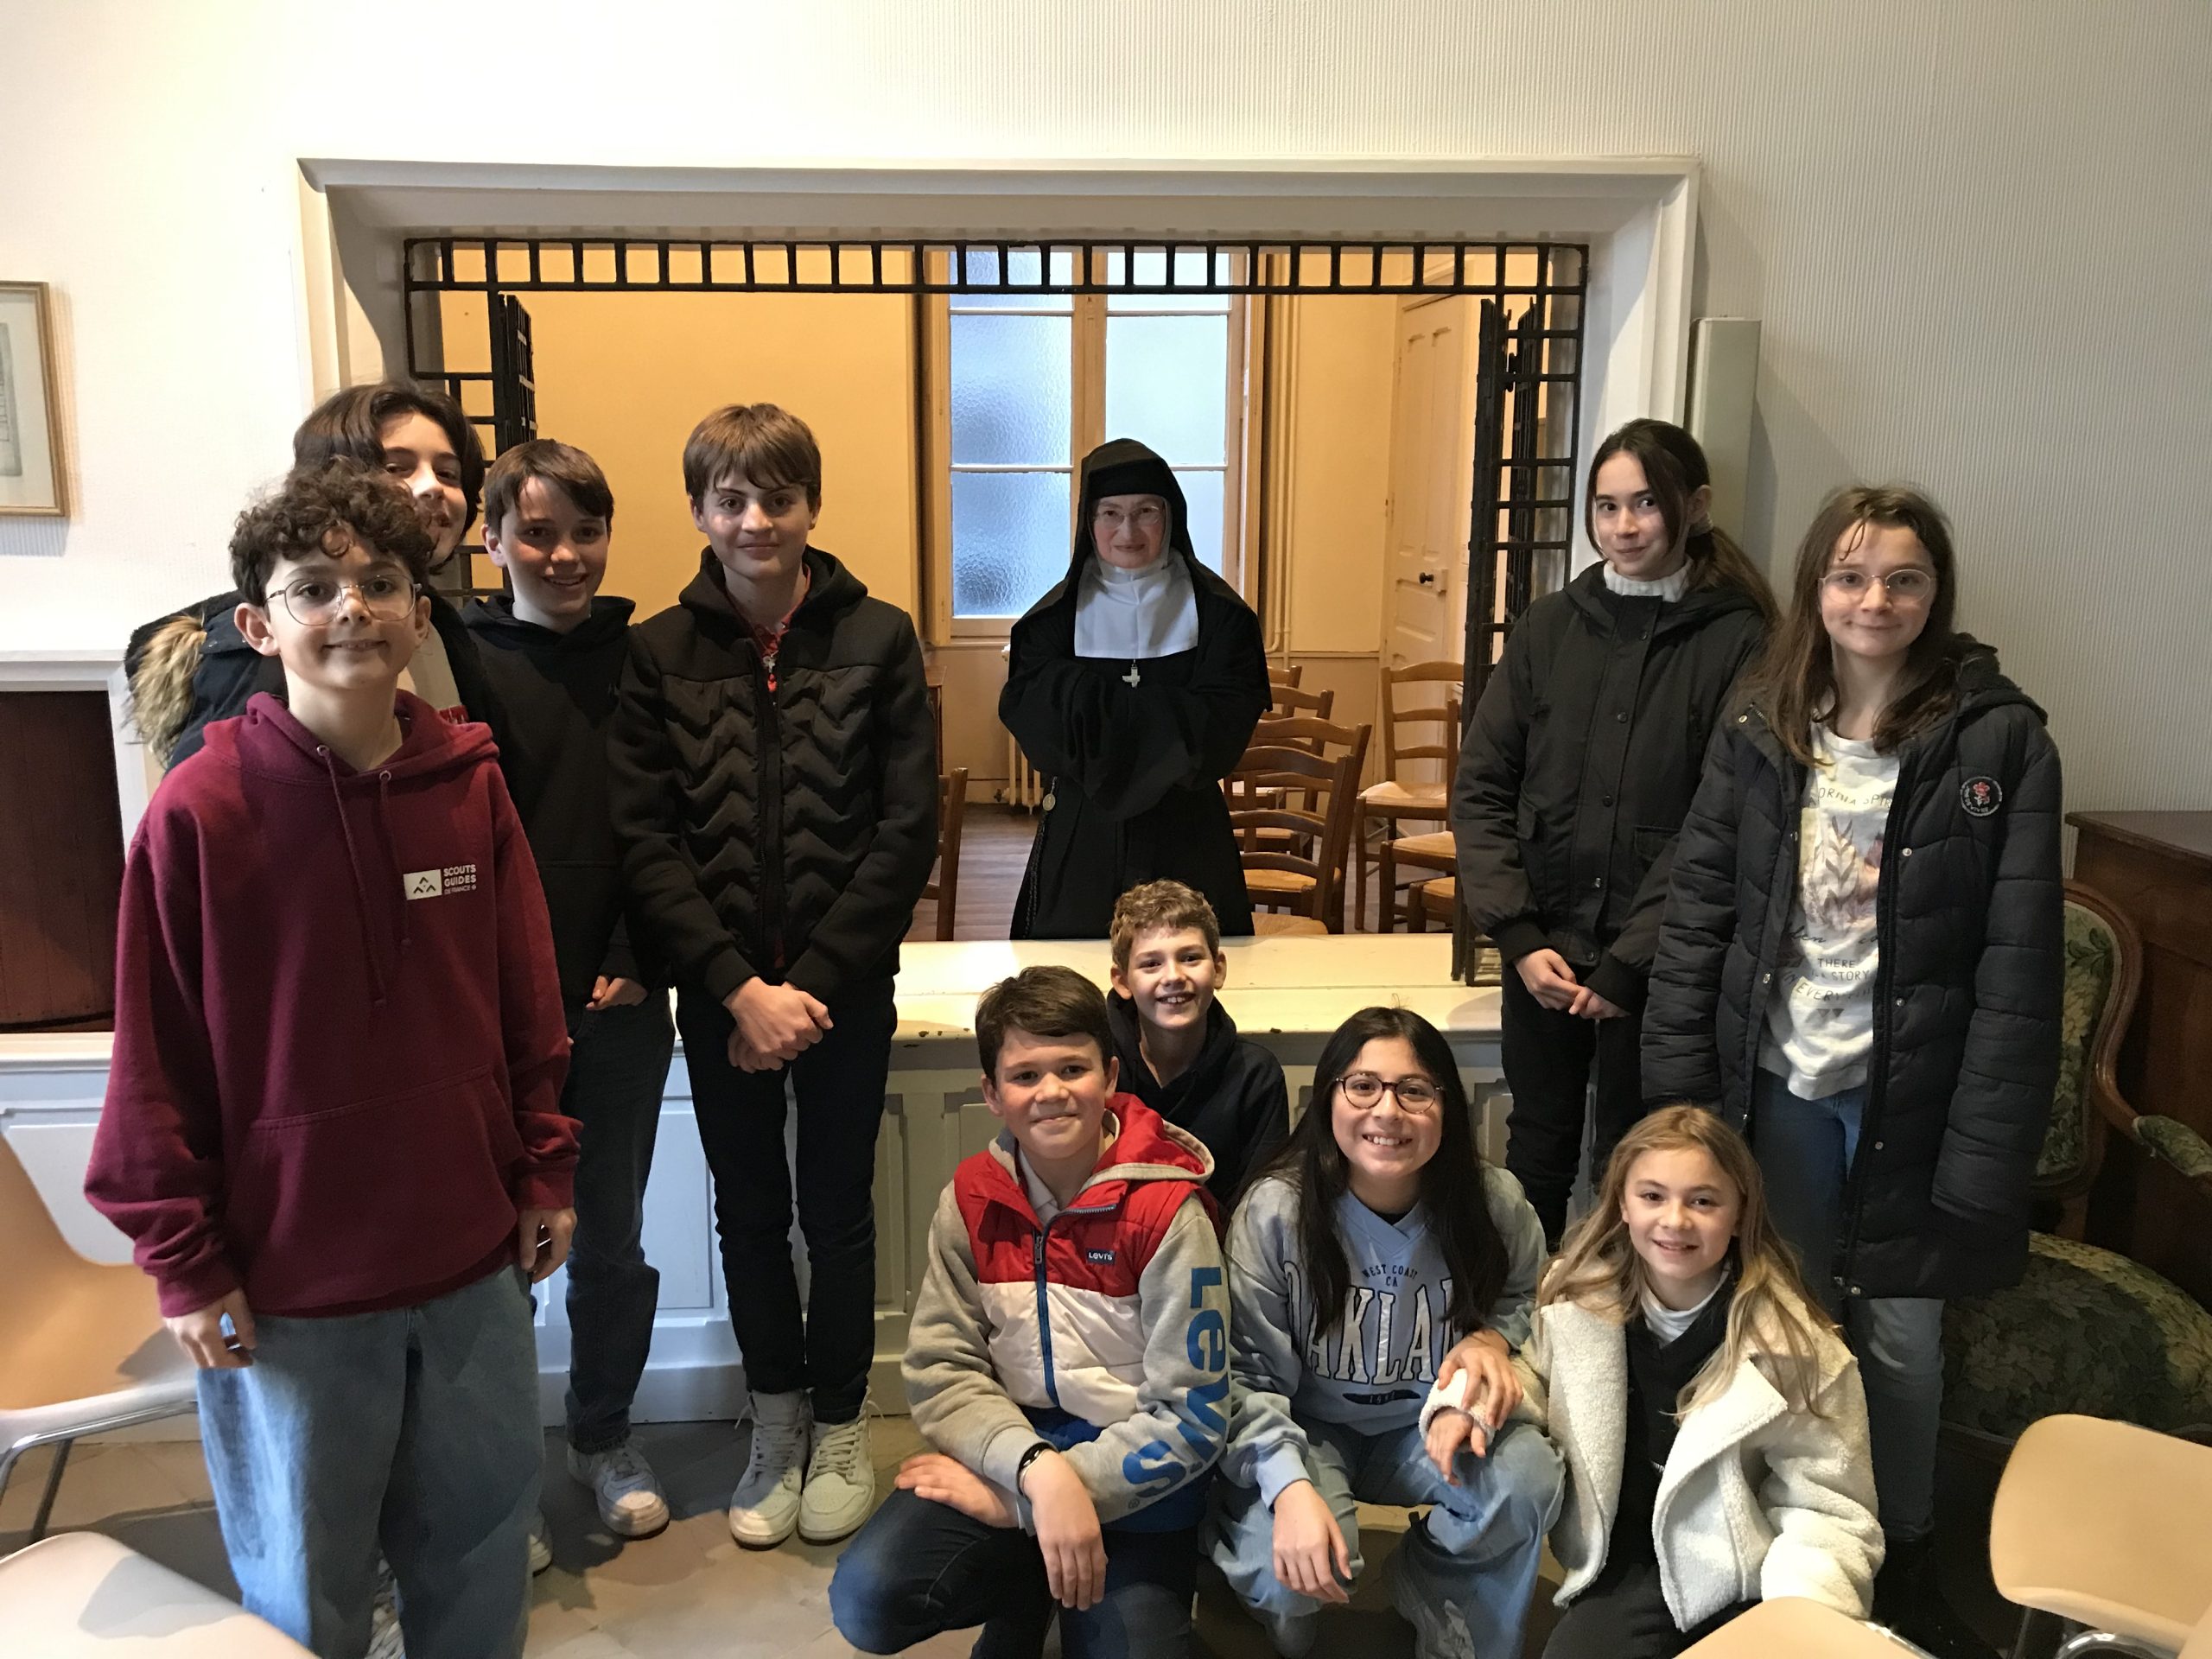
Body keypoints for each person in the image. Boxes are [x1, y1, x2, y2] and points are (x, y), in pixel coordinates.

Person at [83, 459, 577, 1659]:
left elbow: (527, 1002)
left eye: (381, 583)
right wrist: (183, 1262)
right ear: (260, 625)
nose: (351, 608)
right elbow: (155, 1056)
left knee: (480, 1558)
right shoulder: (199, 813)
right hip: (290, 1285)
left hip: (469, 1262)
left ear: (420, 611)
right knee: (306, 1588)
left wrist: (546, 1167)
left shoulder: (471, 788)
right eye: (313, 587)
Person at [1642, 485, 2063, 1657]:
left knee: (1903, 1344)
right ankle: (1792, 1554)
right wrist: (1677, 1094)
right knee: (1789, 1323)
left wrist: (1985, 1152)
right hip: (1777, 1082)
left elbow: (2019, 963)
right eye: (1850, 576)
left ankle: (1906, 1550)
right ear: (1815, 589)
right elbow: (1700, 912)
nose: (1875, 599)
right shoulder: (1759, 724)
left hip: (1914, 1099)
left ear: (1936, 594)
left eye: (1903, 578)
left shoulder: (1998, 739)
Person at [608, 403, 938, 1550]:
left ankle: (841, 1423)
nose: (757, 520)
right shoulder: (658, 651)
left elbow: (906, 827)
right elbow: (646, 838)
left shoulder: (880, 636)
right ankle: (777, 1418)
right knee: (748, 1214)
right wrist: (738, 990)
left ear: (812, 505)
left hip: (845, 988)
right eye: (732, 499)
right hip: (720, 995)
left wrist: (815, 983)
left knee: (836, 1212)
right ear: (700, 511)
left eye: (778, 497)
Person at [828, 965, 1228, 1659]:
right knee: (870, 1598)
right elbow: (943, 1369)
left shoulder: (1168, 1213)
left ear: (1109, 1076)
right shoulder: (971, 1200)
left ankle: (1064, 1570)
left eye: (1072, 1068)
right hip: (1014, 1454)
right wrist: (1034, 1474)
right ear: (991, 1093)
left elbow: (1194, 1415)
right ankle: (1027, 1586)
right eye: (1024, 1075)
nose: (1051, 1092)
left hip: (1139, 1487)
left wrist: (1029, 1500)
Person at [1453, 418, 1775, 1246]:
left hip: (1665, 964)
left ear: (1695, 507)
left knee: (1643, 1162)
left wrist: (1631, 962)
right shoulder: (1550, 626)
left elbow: (1723, 818)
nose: (1624, 526)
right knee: (1537, 1148)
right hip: (1544, 954)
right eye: (1606, 506)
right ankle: (1524, 1309)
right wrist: (1518, 936)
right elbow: (1482, 785)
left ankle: (1621, 1316)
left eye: (1646, 504)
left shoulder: (1740, 637)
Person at [1428, 1108, 1881, 1658]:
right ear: (1623, 1204)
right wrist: (1467, 1402)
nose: (1675, 1220)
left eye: (1703, 1201)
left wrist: (1802, 1619)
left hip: (1748, 1578)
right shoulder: (1575, 1303)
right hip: (1629, 1568)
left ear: (1740, 1212)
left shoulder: (1798, 1349)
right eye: (1652, 1196)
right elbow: (1534, 1378)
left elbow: (1827, 1508)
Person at [465, 439, 677, 1541]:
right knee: (488, 1256)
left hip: (621, 1005)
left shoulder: (646, 660)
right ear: (492, 538)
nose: (564, 555)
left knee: (608, 1244)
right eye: (538, 533)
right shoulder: (453, 659)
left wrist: (643, 951)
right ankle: (496, 1475)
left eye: (585, 532)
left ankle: (602, 1435)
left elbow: (676, 822)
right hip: (492, 1014)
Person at [1208, 1006, 1562, 1659]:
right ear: (1328, 1098)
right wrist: (1289, 1487)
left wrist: (1490, 1341)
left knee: (1528, 1479)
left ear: (1447, 1106)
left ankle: (1429, 1581)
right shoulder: (1274, 1211)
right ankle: (1240, 1553)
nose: (1388, 1111)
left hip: (1430, 1424)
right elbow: (1245, 1375)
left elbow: (1529, 1298)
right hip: (1308, 1427)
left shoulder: (1494, 1202)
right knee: (1291, 1583)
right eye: (1363, 1086)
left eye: (1415, 1090)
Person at [126, 382, 498, 767]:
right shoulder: (272, 649)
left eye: (448, 473)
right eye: (396, 468)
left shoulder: (441, 624)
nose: (433, 487)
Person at [1001, 437, 1270, 939]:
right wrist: (1165, 717)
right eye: (1111, 513)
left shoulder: (1222, 618)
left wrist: (1094, 705)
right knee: (1071, 970)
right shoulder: (1049, 624)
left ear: (1170, 517)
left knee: (1189, 962)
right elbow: (1038, 723)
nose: (1128, 531)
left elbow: (1224, 724)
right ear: (1089, 522)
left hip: (1187, 826)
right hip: (1084, 831)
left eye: (1146, 511)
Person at [1105, 878, 1289, 1207]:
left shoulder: (1255, 1076)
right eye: (1151, 964)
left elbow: (1261, 1202)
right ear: (1123, 981)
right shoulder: (1098, 1068)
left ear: (1218, 970)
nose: (1174, 976)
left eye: (1190, 958)